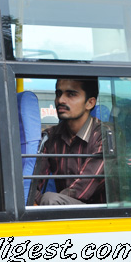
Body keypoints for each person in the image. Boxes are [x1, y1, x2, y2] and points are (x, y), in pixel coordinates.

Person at [35, 77, 105, 205]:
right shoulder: (50, 136)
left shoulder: (104, 135)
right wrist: (36, 200)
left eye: (71, 94)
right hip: (64, 209)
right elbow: (33, 182)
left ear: (90, 103)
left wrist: (45, 203)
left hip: (102, 213)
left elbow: (82, 190)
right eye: (58, 94)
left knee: (50, 199)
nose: (60, 100)